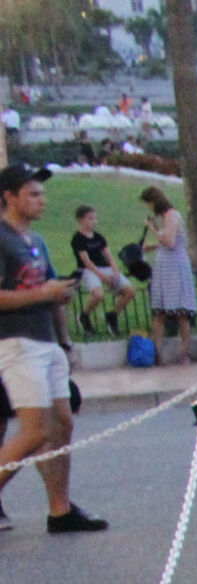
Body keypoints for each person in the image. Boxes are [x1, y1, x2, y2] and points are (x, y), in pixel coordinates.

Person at [0, 164, 106, 534]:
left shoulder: (36, 240)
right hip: (17, 342)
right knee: (34, 432)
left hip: (47, 341)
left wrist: (65, 338)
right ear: (9, 197)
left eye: (41, 193)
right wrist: (42, 294)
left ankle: (60, 510)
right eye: (32, 194)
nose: (41, 200)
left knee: (61, 424)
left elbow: (49, 291)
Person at [138, 184, 196, 362]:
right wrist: (153, 245)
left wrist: (152, 228)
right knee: (159, 311)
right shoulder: (165, 218)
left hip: (175, 265)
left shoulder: (171, 216)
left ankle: (184, 351)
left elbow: (171, 242)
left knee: (180, 310)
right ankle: (157, 352)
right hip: (164, 265)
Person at [68, 203, 134, 332]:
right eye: (90, 218)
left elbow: (109, 256)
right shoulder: (78, 239)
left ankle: (113, 314)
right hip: (90, 270)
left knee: (130, 291)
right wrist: (103, 277)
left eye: (95, 218)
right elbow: (86, 262)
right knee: (98, 294)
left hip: (105, 267)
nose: (94, 221)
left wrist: (115, 271)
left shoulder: (99, 237)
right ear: (80, 220)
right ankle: (85, 315)